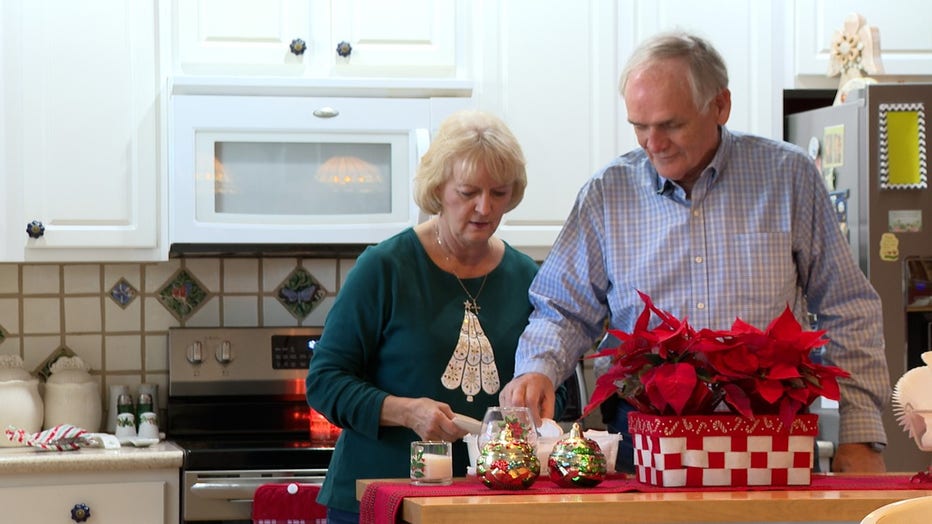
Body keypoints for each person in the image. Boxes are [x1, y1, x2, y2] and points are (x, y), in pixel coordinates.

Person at [499, 31, 890, 474]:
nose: (652, 142)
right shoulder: (608, 194)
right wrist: (538, 369)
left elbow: (847, 307)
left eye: (670, 124)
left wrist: (860, 434)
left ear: (720, 105)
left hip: (769, 436)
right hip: (644, 439)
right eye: (639, 126)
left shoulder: (789, 177)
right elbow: (562, 309)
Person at [306, 110, 542, 523]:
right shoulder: (385, 267)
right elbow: (325, 382)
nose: (484, 207)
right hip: (378, 500)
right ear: (438, 188)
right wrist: (406, 411)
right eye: (468, 191)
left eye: (499, 193)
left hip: (483, 504)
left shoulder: (527, 277)